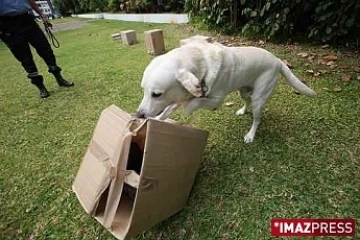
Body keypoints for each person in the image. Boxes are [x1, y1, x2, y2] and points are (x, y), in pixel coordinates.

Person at [0, 0, 74, 99]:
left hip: (27, 19)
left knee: (46, 49)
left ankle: (59, 78)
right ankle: (41, 87)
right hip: (7, 25)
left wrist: (42, 15)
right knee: (25, 58)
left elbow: (31, 1)